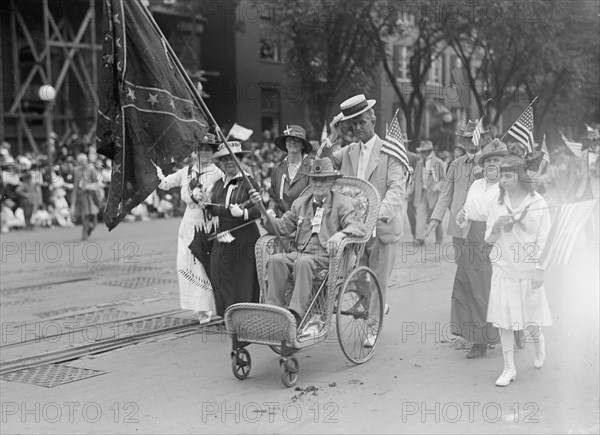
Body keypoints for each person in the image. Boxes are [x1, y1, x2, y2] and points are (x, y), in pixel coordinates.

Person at [323, 94, 407, 346]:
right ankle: (375, 304)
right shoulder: (348, 151)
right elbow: (323, 165)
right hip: (355, 227)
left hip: (381, 226)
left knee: (379, 278)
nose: (358, 128)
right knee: (355, 274)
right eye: (353, 125)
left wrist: (380, 211)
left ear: (372, 119)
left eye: (362, 122)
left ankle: (372, 327)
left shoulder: (389, 150)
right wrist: (333, 137)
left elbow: (396, 188)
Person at [251, 157, 367, 337]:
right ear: (310, 181)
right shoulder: (300, 203)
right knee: (275, 260)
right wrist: (261, 209)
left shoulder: (341, 203)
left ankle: (296, 315)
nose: (318, 184)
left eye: (323, 180)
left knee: (302, 263)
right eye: (315, 179)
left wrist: (340, 234)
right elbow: (282, 227)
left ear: (331, 182)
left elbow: (359, 227)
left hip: (327, 256)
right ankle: (273, 311)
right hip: (300, 252)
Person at [484, 154, 552, 386]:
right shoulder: (497, 203)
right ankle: (509, 368)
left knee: (531, 319)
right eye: (501, 176)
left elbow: (545, 238)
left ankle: (538, 342)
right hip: (504, 269)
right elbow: (488, 239)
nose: (502, 180)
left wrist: (539, 269)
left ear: (520, 176)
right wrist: (495, 226)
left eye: (508, 176)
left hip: (528, 269)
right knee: (504, 320)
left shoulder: (537, 202)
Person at [156, 135, 222, 324]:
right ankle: (198, 307)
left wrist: (206, 197)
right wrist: (154, 170)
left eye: (208, 150)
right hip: (188, 224)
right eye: (201, 149)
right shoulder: (187, 172)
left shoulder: (218, 174)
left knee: (203, 266)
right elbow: (165, 183)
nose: (203, 153)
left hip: (208, 225)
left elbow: (219, 197)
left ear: (213, 153)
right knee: (188, 266)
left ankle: (207, 309)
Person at [452, 139, 508, 358]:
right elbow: (467, 210)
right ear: (483, 165)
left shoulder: (506, 187)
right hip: (473, 238)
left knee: (491, 288)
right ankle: (478, 339)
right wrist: (462, 216)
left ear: (504, 163)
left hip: (496, 239)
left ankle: (513, 328)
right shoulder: (476, 185)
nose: (492, 164)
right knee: (470, 286)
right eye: (488, 161)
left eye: (497, 160)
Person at [207, 141, 262, 316]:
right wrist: (204, 201)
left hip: (244, 235)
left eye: (233, 158)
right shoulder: (217, 184)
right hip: (223, 234)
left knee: (241, 277)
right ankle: (227, 315)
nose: (229, 162)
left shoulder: (249, 182)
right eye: (224, 160)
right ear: (220, 163)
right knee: (220, 273)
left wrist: (244, 213)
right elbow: (214, 207)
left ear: (239, 160)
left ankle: (243, 315)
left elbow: (259, 210)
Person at [268, 125, 313, 217]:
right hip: (281, 222)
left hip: (303, 221)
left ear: (303, 145)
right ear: (285, 144)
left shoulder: (311, 168)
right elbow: (273, 197)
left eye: (297, 140)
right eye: (289, 139)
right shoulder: (277, 168)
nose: (292, 142)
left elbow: (313, 198)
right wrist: (271, 210)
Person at [413, 140, 445, 245]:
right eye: (423, 151)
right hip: (422, 193)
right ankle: (419, 239)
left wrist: (438, 186)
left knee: (436, 216)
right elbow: (414, 179)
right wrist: (409, 191)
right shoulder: (419, 163)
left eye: (427, 151)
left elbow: (444, 179)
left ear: (431, 151)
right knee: (420, 215)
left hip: (434, 194)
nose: (425, 153)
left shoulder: (438, 162)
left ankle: (439, 238)